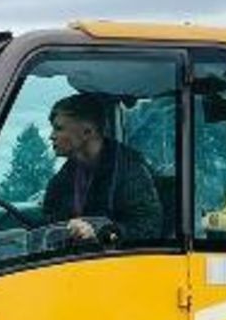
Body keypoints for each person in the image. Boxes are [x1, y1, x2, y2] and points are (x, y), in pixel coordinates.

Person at [39, 93, 165, 244]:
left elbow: (148, 228)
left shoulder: (129, 170)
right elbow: (49, 223)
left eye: (58, 128)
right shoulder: (62, 179)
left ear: (87, 132)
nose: (51, 136)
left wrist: (101, 232)